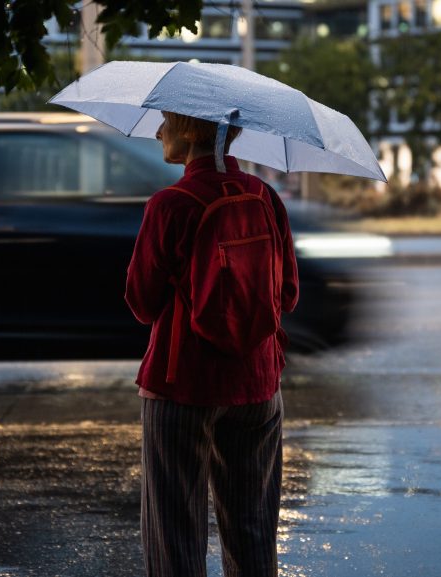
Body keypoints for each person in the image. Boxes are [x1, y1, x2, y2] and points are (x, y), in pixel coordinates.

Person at [125, 111, 299, 577]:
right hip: (258, 385)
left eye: (165, 120)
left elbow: (142, 302)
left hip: (182, 385)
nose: (157, 131)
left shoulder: (170, 204)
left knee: (175, 538)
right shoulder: (264, 197)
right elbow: (288, 295)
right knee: (253, 530)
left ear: (190, 130)